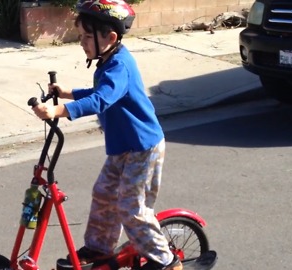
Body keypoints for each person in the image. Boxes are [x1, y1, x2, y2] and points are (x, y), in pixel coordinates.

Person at [31, 1, 182, 269]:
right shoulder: (108, 62)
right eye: (81, 36)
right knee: (103, 194)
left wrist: (59, 110)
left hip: (143, 148)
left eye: (87, 37)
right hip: (123, 148)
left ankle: (166, 261)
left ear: (110, 37)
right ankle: (99, 248)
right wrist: (69, 93)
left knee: (131, 209)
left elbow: (102, 99)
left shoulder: (119, 65)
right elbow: (101, 93)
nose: (82, 43)